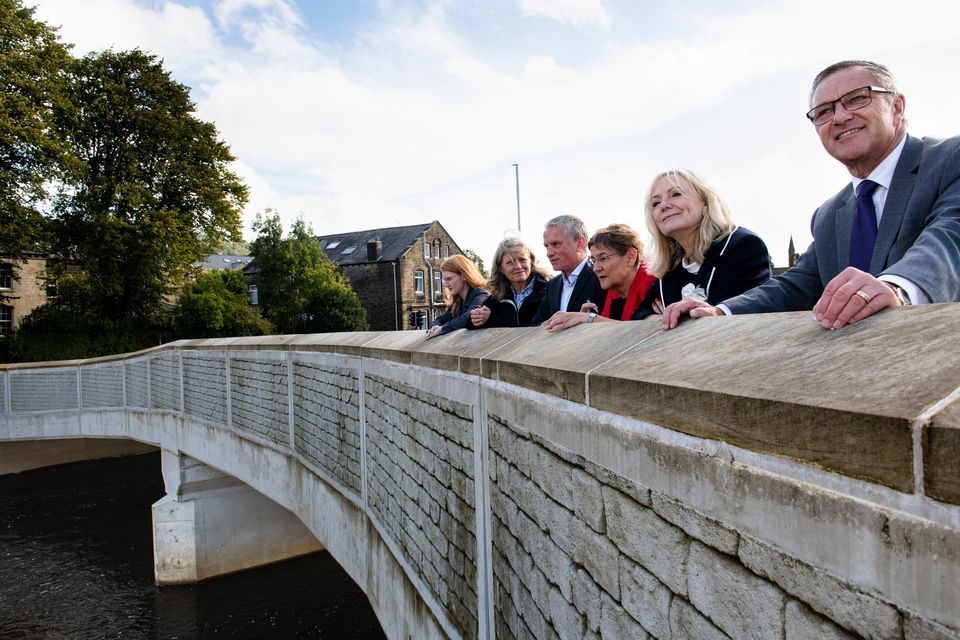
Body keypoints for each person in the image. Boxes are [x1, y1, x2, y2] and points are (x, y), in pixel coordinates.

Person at [663, 60, 960, 330]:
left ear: (897, 107)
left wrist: (897, 287)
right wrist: (720, 311)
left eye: (857, 98)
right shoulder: (829, 214)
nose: (840, 117)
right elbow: (800, 284)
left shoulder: (950, 159)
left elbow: (949, 237)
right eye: (824, 112)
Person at [634, 169, 772, 319]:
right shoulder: (671, 266)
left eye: (676, 194)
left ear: (705, 202)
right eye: (656, 203)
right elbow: (640, 315)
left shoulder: (743, 246)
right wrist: (664, 319)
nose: (664, 205)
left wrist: (671, 317)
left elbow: (731, 315)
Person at [543, 224, 655, 332]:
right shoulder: (614, 290)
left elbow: (652, 332)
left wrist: (590, 319)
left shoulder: (655, 283)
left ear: (630, 257)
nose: (596, 268)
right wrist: (585, 323)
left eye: (603, 258)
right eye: (593, 260)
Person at [531, 215, 607, 325]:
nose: (549, 253)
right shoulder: (552, 285)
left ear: (580, 243)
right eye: (546, 246)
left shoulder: (601, 277)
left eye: (556, 244)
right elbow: (537, 325)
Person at [468, 237, 551, 328]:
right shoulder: (499, 296)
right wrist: (477, 318)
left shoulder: (549, 291)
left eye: (522, 259)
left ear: (531, 261)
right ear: (501, 269)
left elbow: (530, 328)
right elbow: (469, 324)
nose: (518, 266)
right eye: (510, 262)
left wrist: (491, 319)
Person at [424, 254, 488, 338]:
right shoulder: (458, 301)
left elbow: (468, 318)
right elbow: (440, 319)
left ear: (464, 276)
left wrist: (442, 329)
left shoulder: (480, 295)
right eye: (444, 280)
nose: (446, 285)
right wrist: (434, 327)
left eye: (449, 279)